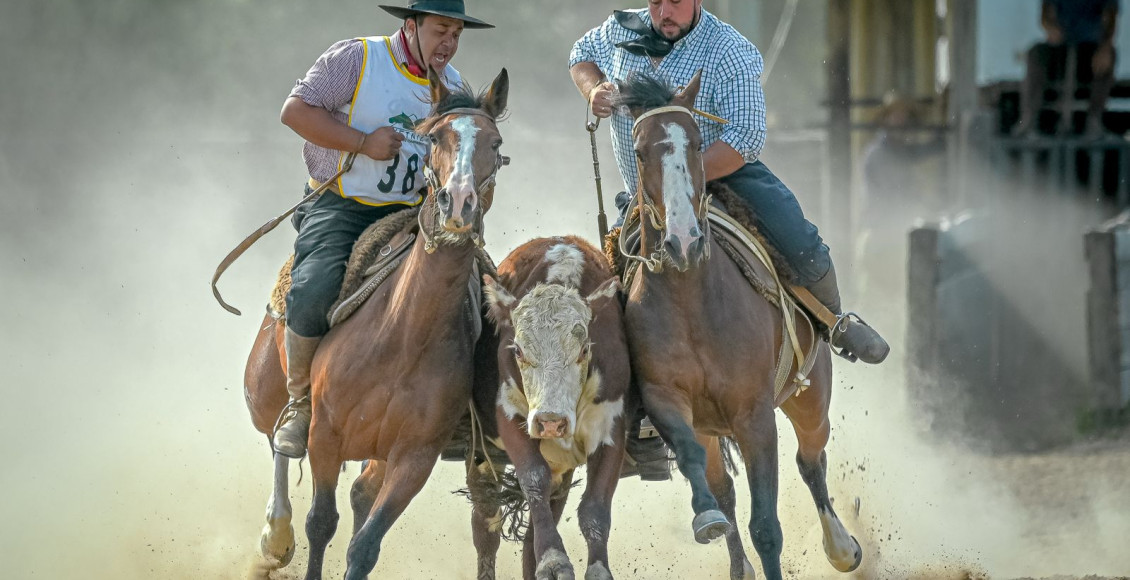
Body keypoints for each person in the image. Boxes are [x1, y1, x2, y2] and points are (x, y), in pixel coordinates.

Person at [569, 0, 889, 364]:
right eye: (656, 2)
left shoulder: (728, 49)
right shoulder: (620, 30)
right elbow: (580, 54)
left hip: (724, 176)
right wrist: (594, 88)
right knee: (604, 290)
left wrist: (683, 176)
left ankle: (835, 323)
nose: (664, 13)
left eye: (675, 2)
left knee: (802, 245)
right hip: (647, 193)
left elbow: (746, 136)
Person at [272, 0, 493, 459]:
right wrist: (362, 143)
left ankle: (473, 412)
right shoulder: (357, 58)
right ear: (411, 26)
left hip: (416, 216)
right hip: (343, 206)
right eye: (440, 31)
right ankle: (300, 402)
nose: (448, 44)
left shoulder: (453, 88)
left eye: (456, 34)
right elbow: (295, 112)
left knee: (484, 294)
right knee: (313, 288)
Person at [1015, 0, 1119, 137]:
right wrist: (1051, 29)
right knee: (1036, 53)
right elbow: (1045, 15)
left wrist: (1104, 47)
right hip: (1060, 49)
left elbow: (1111, 17)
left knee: (1109, 56)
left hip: (1090, 51)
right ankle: (1029, 118)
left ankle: (1094, 119)